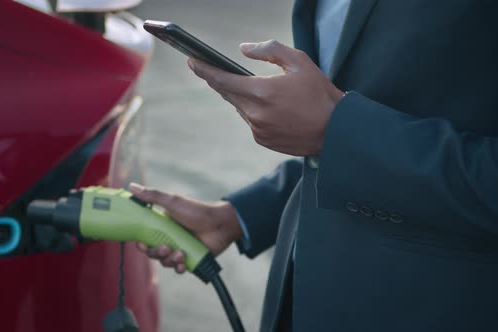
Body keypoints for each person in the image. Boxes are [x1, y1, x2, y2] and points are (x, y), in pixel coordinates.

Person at [131, 0, 498, 331]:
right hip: (301, 299)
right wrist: (239, 215)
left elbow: (342, 128)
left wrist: (336, 131)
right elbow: (369, 108)